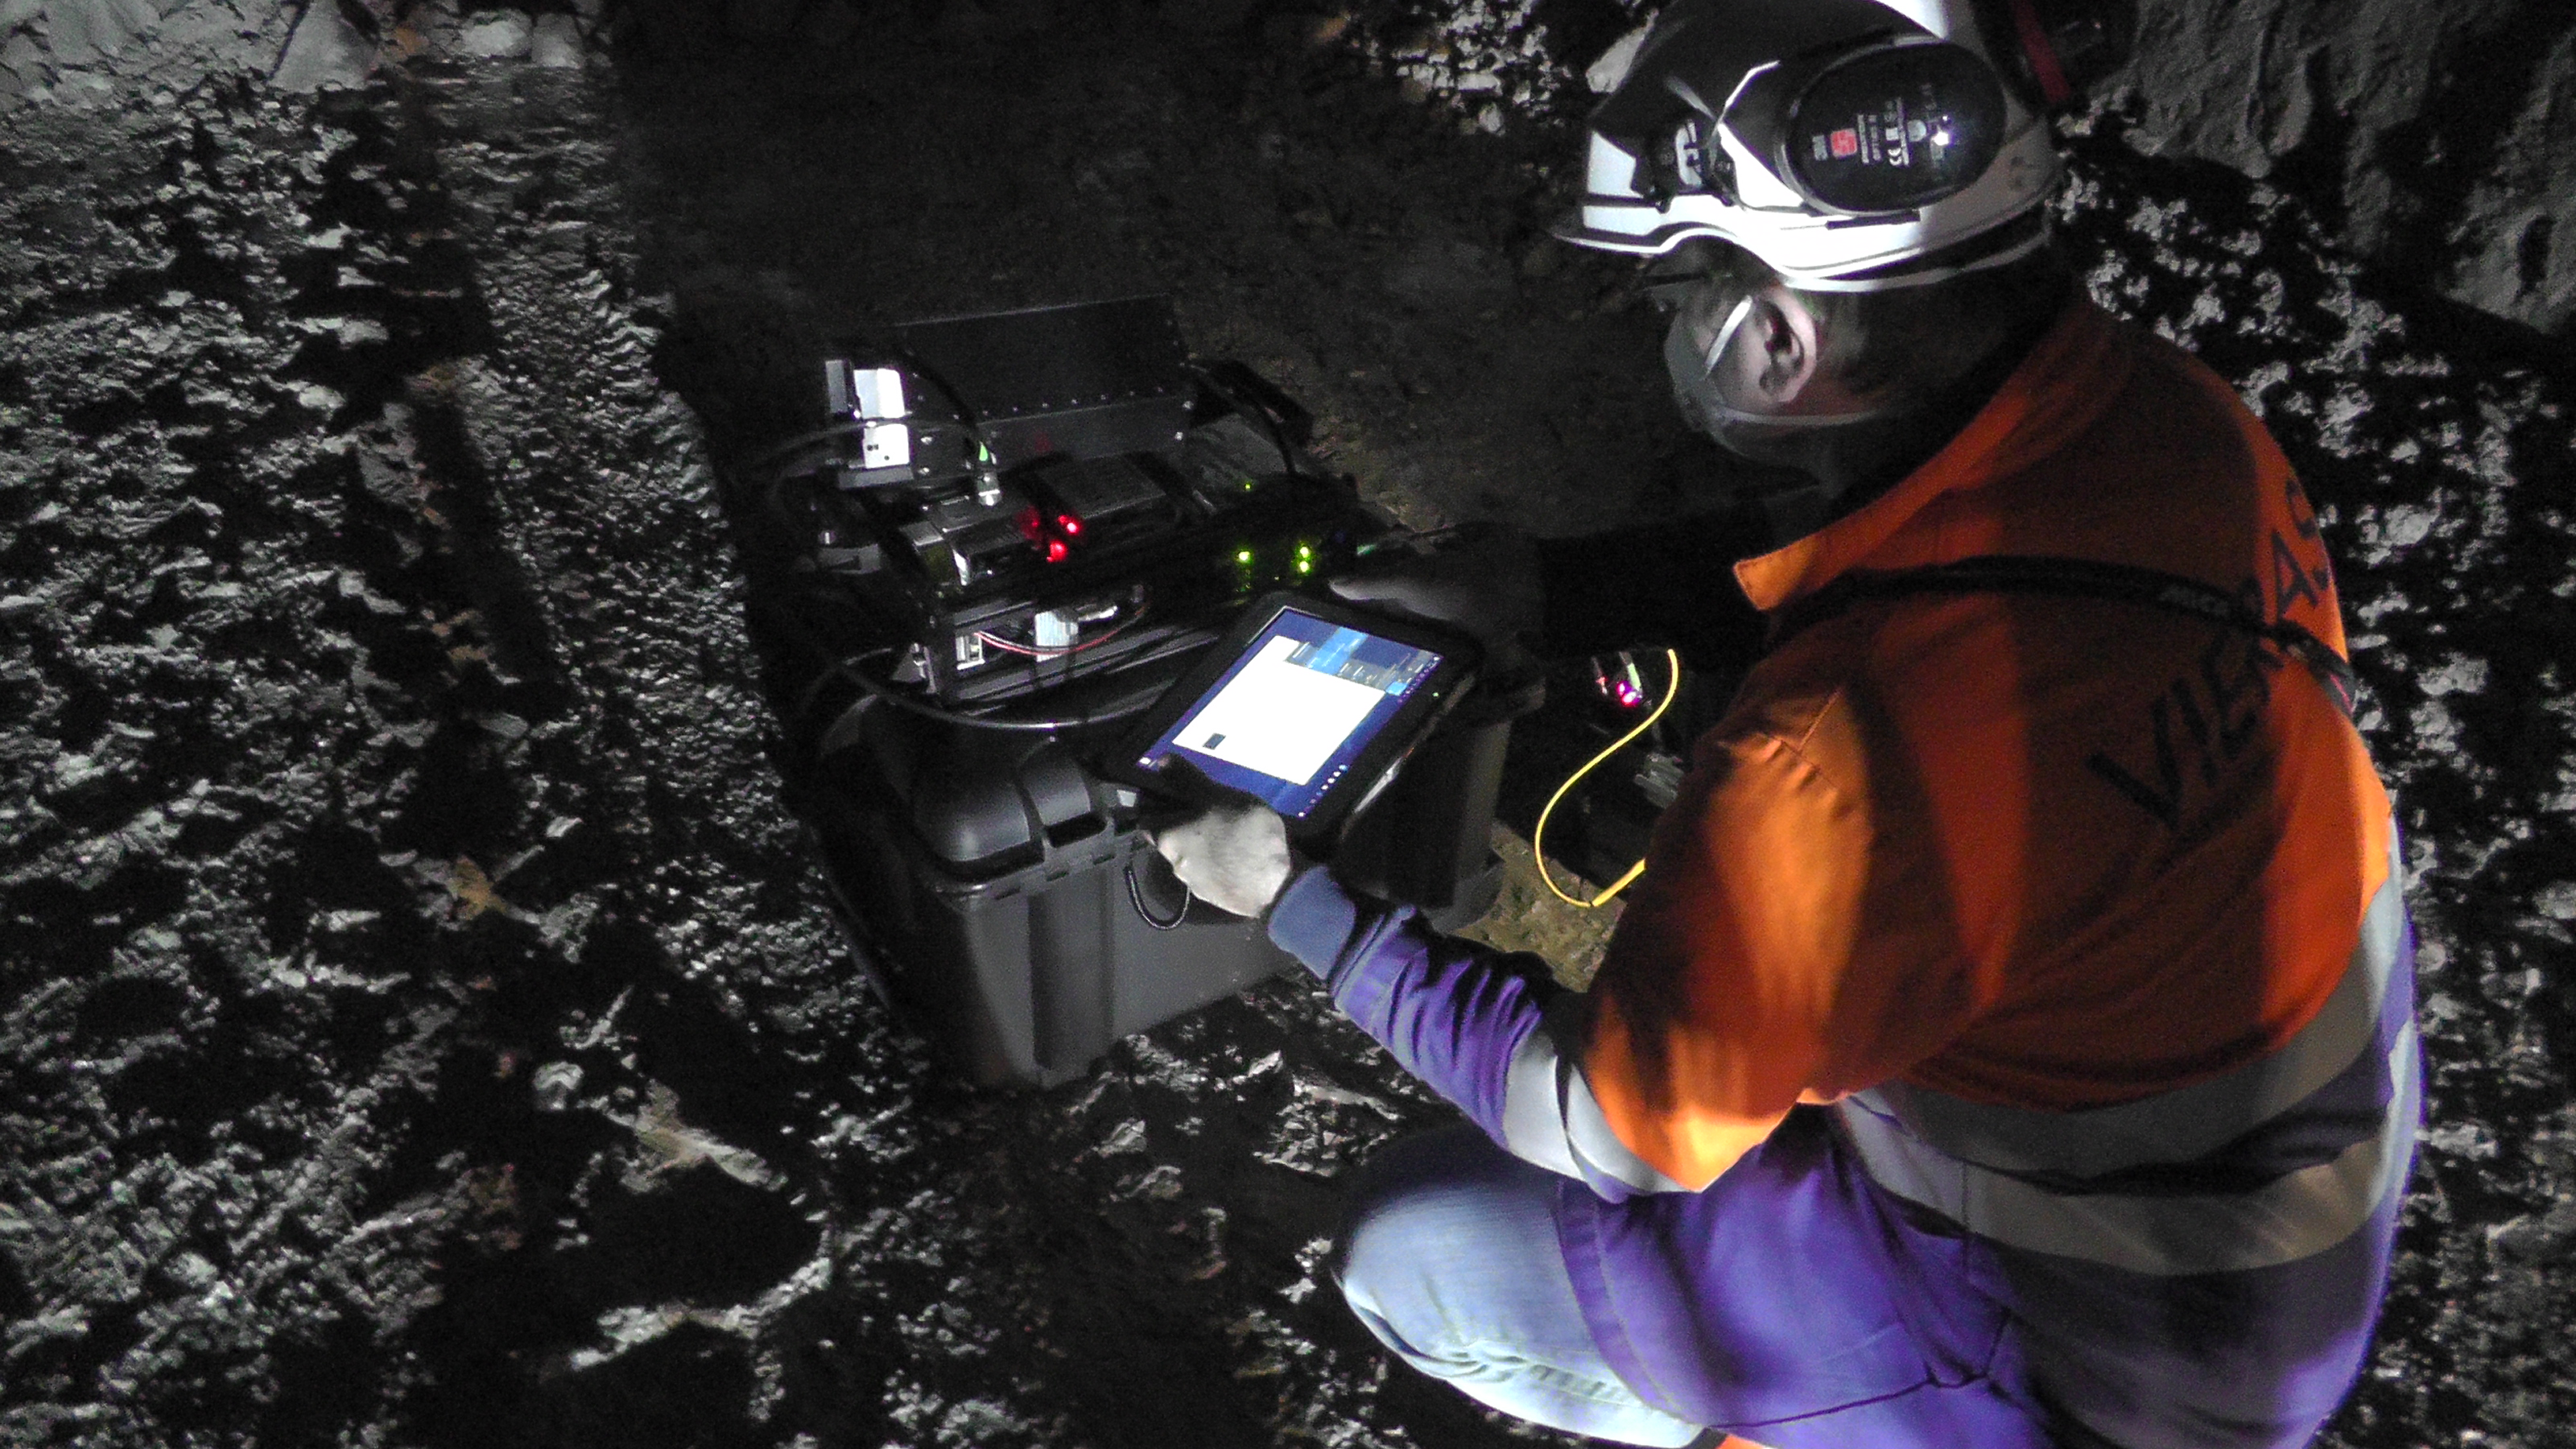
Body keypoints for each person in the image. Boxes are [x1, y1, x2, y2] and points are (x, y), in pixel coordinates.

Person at [1150, 2, 2418, 1445]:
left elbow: (1612, 1126)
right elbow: (1933, 565)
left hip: (2096, 1368)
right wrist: (1539, 590)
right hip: (2273, 1220)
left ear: (1773, 335)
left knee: (1413, 1243)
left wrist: (1301, 905)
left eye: (1682, 293)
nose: (1672, 329)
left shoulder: (1827, 761)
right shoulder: (2169, 420)